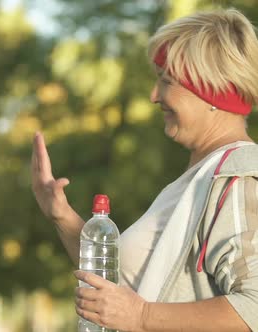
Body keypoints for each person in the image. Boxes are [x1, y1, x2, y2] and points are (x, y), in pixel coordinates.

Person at [32, 8, 258, 331]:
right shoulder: (201, 179)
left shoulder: (235, 180)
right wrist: (61, 215)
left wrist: (141, 317)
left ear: (212, 91)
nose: (154, 96)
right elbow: (121, 293)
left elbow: (254, 307)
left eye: (166, 82)